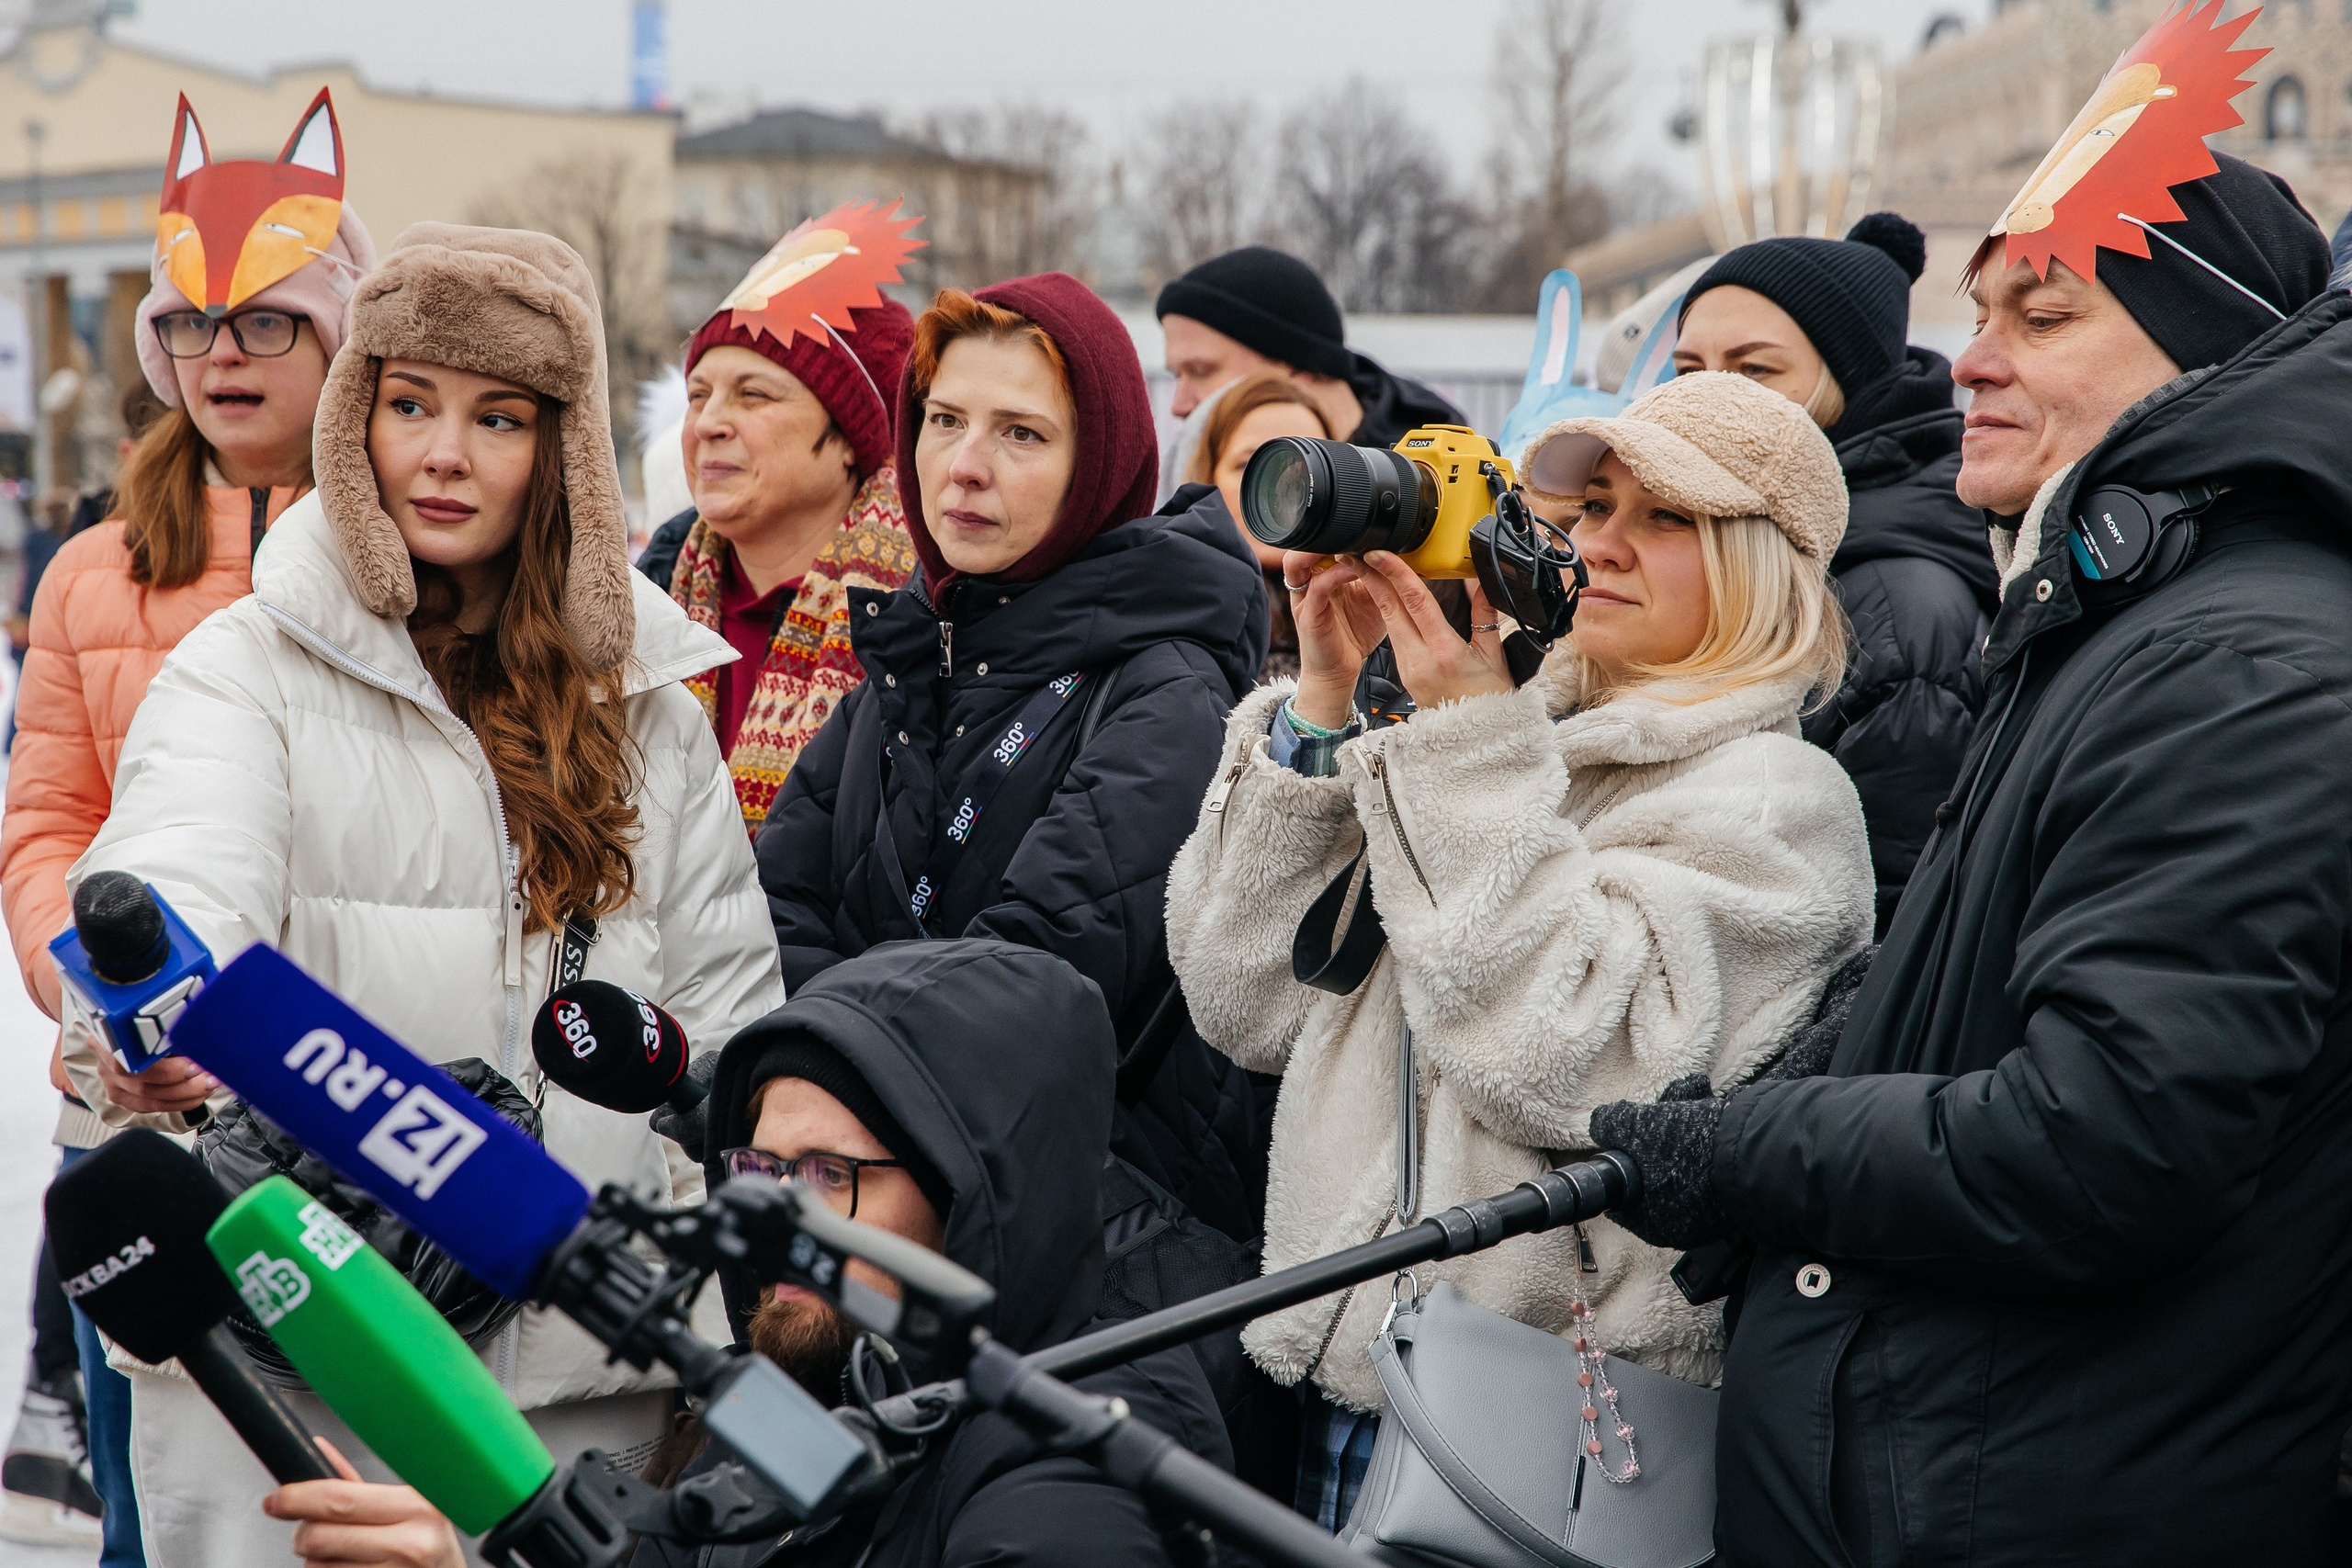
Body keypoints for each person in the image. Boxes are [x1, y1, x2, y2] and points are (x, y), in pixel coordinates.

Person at [1589, 25, 2352, 1558]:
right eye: (1981, 309)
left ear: (2209, 356)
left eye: (2043, 315)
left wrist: (1754, 1155)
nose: (1973, 358)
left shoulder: (2240, 662)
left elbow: (2107, 1146)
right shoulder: (2117, 621)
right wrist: (1848, 1052)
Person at [62, 222, 784, 1567]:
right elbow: (179, 872)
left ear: (562, 451)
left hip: (577, 1383)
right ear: (356, 423)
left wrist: (698, 1298)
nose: (444, 453)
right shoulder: (246, 668)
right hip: (292, 1375)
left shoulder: (652, 713)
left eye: (497, 417)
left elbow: (727, 1041)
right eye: (410, 405)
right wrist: (152, 1019)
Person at [1166, 368, 1872, 1527]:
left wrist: (1462, 737)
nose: (1603, 544)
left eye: (1666, 517)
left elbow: (1560, 1065)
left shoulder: (1774, 801)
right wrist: (1326, 702)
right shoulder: (1507, 734)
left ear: (1762, 564)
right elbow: (1242, 1002)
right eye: (1593, 507)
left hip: (1552, 1422)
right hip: (1350, 1375)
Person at [0, 93, 378, 1568]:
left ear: (339, 335)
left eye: (267, 319)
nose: (224, 352)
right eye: (192, 321)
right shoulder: (93, 566)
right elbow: (47, 822)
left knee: (343, 1497)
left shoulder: (408, 563)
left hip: (343, 1102)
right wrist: (99, 995)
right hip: (133, 1106)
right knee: (143, 1507)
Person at [755, 274, 1271, 1245]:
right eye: (944, 420)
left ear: (1098, 465)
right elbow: (771, 918)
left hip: (1089, 1254)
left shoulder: (1169, 694)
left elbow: (1030, 972)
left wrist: (823, 1070)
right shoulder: (904, 667)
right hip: (870, 1209)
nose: (963, 467)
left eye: (1021, 434)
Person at [1675, 212, 1997, 933]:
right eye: (1688, 371)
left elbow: (1889, 920)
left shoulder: (1895, 612)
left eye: (1755, 370)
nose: (1708, 399)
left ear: (1850, 382)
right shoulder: (1740, 540)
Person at [632, 204, 921, 833]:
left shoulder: (922, 625)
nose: (708, 423)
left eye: (753, 394)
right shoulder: (636, 604)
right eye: (699, 395)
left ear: (849, 440)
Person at [1156, 245, 1462, 462]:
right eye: (1177, 376)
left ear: (1298, 369)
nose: (1178, 406)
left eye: (1201, 371)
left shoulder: (1436, 485)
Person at [1187, 371, 1331, 682]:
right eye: (1247, 465)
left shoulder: (1380, 616)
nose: (1278, 488)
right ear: (1209, 478)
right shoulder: (1173, 616)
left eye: (1302, 467)